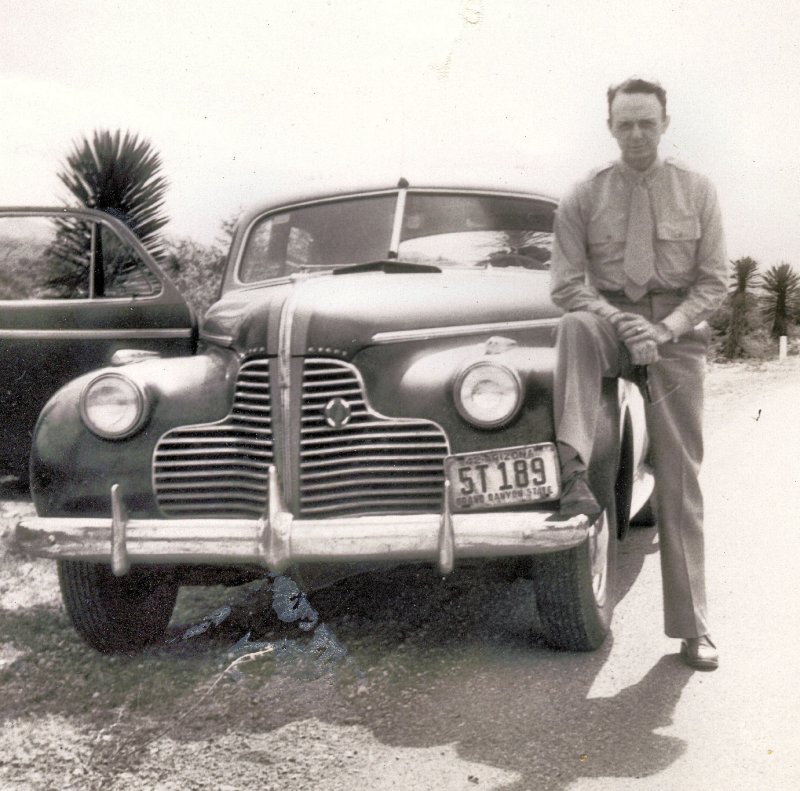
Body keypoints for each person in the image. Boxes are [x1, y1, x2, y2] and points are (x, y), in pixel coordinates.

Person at [549, 77, 727, 670]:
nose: (636, 134)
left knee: (679, 482)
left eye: (646, 122)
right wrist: (619, 322)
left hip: (675, 340)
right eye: (625, 123)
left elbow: (713, 282)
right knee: (573, 327)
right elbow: (567, 286)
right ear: (610, 127)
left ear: (664, 123)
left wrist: (666, 329)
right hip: (611, 326)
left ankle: (693, 628)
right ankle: (573, 476)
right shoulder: (583, 195)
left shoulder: (697, 190)